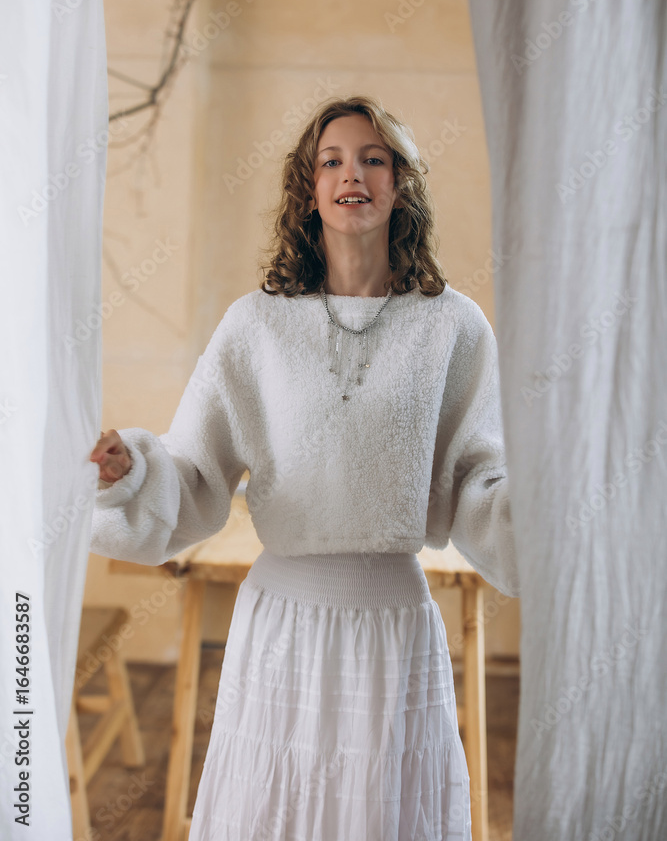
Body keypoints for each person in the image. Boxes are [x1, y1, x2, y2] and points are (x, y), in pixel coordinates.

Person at [89, 94, 520, 840]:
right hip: (282, 626)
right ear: (308, 188)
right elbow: (194, 473)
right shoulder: (256, 325)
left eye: (373, 159)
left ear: (400, 184)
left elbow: (479, 484)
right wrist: (129, 473)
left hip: (391, 627)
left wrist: (560, 501)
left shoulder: (451, 326)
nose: (352, 174)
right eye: (332, 161)